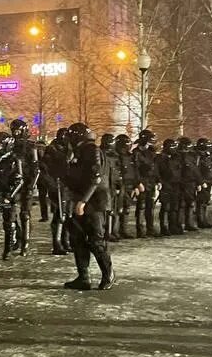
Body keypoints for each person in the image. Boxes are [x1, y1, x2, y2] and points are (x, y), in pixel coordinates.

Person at [61, 122, 114, 291]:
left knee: (95, 240)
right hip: (80, 200)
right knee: (78, 239)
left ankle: (108, 274)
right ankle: (83, 277)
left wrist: (83, 201)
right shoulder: (78, 152)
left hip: (93, 202)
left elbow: (95, 178)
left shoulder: (91, 150)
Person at [0, 131, 26, 259]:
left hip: (9, 193)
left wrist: (10, 195)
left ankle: (8, 249)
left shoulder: (15, 159)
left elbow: (19, 180)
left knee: (9, 222)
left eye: (1, 144)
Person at [9, 119, 42, 249]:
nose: (15, 134)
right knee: (10, 212)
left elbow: (36, 169)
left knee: (25, 213)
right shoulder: (11, 145)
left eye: (17, 131)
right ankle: (18, 236)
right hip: (13, 182)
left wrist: (31, 186)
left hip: (27, 182)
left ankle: (25, 242)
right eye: (14, 131)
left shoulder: (30, 146)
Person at [41, 129, 72, 254]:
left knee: (67, 214)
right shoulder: (52, 149)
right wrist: (52, 183)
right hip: (57, 184)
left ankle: (66, 241)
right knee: (60, 215)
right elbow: (44, 168)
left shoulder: (70, 149)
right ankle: (57, 243)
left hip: (67, 185)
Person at [132, 129, 159, 237]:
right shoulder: (136, 153)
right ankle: (140, 230)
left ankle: (150, 229)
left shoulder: (151, 152)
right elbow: (135, 169)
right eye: (148, 142)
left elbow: (155, 167)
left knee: (150, 206)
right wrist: (138, 183)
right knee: (141, 207)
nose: (149, 144)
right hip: (142, 182)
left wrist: (158, 180)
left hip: (151, 182)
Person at [113, 133, 140, 239]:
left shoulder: (130, 156)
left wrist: (135, 185)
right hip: (120, 185)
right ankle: (114, 231)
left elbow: (134, 171)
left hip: (129, 184)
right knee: (117, 209)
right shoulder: (116, 156)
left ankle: (123, 230)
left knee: (126, 209)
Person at [156, 139, 182, 236]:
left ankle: (173, 226)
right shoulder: (160, 158)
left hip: (176, 184)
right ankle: (164, 227)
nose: (173, 149)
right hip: (166, 184)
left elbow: (180, 171)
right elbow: (157, 171)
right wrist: (159, 181)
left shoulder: (177, 157)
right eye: (172, 147)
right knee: (165, 207)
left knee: (174, 207)